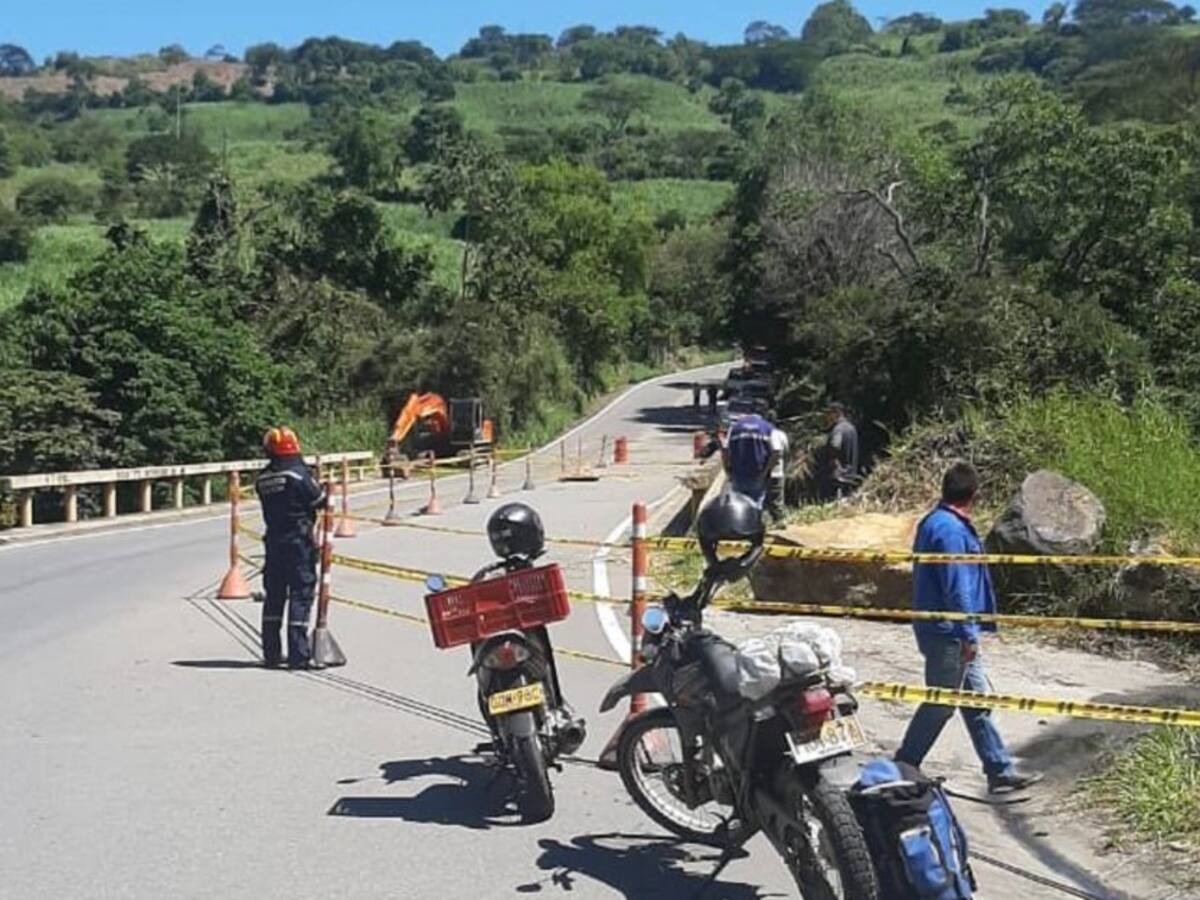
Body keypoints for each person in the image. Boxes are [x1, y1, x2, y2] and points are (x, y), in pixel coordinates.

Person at [895, 462, 1043, 794]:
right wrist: (968, 635)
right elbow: (956, 587)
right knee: (941, 702)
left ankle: (999, 769)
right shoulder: (949, 529)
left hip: (950, 630)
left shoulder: (938, 522)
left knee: (976, 703)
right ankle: (904, 764)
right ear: (975, 495)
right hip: (951, 633)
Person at [254, 426, 325, 669]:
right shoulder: (297, 476)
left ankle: (271, 654)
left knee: (274, 596)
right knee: (301, 594)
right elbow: (319, 500)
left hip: (273, 541)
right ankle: (299, 655)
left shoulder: (262, 479)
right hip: (298, 542)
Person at [722, 411, 778, 508]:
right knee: (756, 505)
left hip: (738, 473)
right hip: (758, 473)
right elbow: (776, 451)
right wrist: (766, 472)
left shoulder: (735, 428)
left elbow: (725, 450)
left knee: (738, 505)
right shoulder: (768, 427)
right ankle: (755, 522)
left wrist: (727, 470)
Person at [824, 402, 860, 500]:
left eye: (829, 413)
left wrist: (833, 462)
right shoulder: (852, 428)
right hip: (851, 474)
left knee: (837, 504)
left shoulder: (838, 429)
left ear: (837, 413)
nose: (827, 417)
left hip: (839, 475)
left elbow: (835, 446)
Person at [765, 409, 789, 522]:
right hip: (779, 472)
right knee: (778, 502)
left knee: (763, 501)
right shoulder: (782, 435)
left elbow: (777, 451)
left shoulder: (766, 434)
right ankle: (779, 522)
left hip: (766, 473)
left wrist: (766, 469)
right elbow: (787, 453)